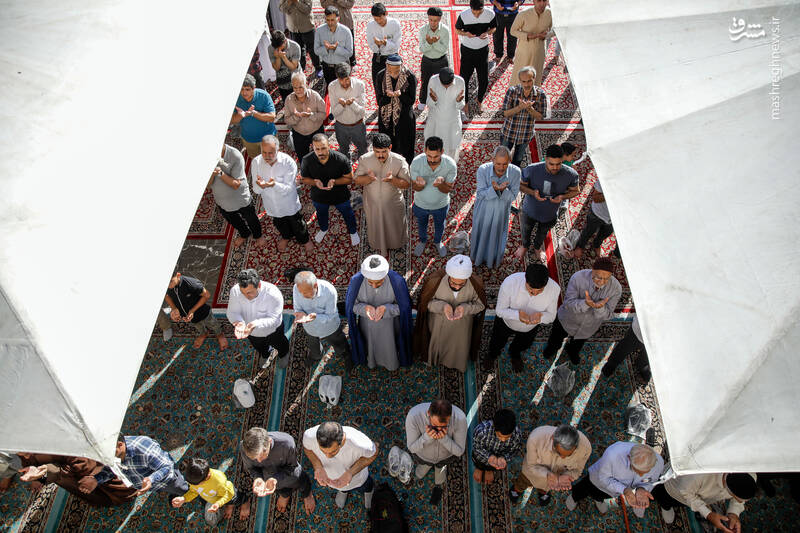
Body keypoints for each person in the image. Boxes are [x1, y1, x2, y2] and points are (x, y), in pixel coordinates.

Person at [414, 255, 487, 372]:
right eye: (453, 283)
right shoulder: (435, 281)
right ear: (448, 276)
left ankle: (456, 363)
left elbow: (480, 305)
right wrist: (443, 307)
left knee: (458, 348)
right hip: (438, 324)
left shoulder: (475, 284)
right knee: (438, 344)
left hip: (462, 326)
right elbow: (425, 303)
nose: (457, 287)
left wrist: (465, 309)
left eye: (461, 284)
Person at [542, 258, 622, 364]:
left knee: (577, 346)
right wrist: (585, 303)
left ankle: (572, 352)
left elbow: (609, 315)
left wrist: (600, 308)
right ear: (592, 270)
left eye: (606, 279)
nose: (602, 282)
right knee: (555, 340)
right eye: (598, 277)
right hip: (567, 320)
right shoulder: (578, 278)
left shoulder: (616, 288)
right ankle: (552, 348)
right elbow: (568, 304)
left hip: (588, 327)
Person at [484, 263, 559, 372]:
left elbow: (551, 316)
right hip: (506, 322)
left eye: (540, 291)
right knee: (497, 341)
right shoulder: (510, 283)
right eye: (531, 289)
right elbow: (500, 311)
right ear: (525, 280)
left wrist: (541, 317)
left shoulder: (554, 289)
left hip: (530, 328)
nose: (534, 294)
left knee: (523, 344)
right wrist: (517, 315)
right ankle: (492, 354)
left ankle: (515, 353)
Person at [345, 254, 413, 371]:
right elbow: (351, 306)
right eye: (370, 282)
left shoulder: (396, 281)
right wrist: (365, 308)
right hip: (367, 324)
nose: (374, 286)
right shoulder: (356, 281)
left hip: (390, 325)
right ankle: (371, 361)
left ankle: (391, 363)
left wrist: (386, 309)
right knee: (370, 344)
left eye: (379, 283)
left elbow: (404, 308)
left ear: (385, 276)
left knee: (389, 345)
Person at [516, 144, 579, 263]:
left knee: (542, 233)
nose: (555, 168)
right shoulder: (531, 169)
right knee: (526, 230)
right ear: (545, 159)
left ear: (562, 160)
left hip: (550, 213)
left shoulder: (571, 174)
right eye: (551, 164)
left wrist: (562, 197)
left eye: (558, 164)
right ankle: (524, 246)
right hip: (530, 210)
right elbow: (520, 185)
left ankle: (537, 248)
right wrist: (532, 192)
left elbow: (576, 191)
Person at [566, 442, 664, 518]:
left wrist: (642, 489)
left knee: (602, 496)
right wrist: (624, 490)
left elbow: (650, 481)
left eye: (645, 471)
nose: (641, 475)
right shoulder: (612, 454)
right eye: (637, 470)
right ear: (629, 458)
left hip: (614, 491)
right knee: (585, 488)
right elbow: (604, 478)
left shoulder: (659, 463)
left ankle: (598, 500)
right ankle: (574, 496)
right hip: (597, 481)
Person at [251, 135, 312, 254]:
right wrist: (261, 186)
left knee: (298, 224)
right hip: (272, 206)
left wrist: (273, 184)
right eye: (264, 152)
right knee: (280, 224)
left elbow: (288, 189)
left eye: (271, 153)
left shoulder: (288, 162)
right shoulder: (256, 162)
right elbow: (256, 190)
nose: (267, 156)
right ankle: (286, 237)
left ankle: (305, 240)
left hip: (289, 204)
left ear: (277, 150)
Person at [353, 133, 411, 257]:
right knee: (376, 228)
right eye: (377, 152)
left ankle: (396, 244)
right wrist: (369, 178)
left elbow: (406, 184)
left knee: (395, 228)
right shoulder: (365, 159)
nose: (380, 155)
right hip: (373, 204)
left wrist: (393, 180)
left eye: (384, 151)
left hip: (393, 204)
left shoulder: (399, 161)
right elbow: (357, 180)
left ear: (390, 147)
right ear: (372, 149)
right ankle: (378, 245)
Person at [239, 427, 315, 518]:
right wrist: (258, 478)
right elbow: (251, 468)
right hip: (269, 477)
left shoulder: (286, 443)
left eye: (262, 455)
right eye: (255, 458)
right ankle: (285, 495)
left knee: (299, 478)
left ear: (269, 441)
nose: (259, 461)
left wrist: (275, 478)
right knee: (276, 488)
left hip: (290, 474)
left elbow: (292, 467)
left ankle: (307, 494)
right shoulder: (244, 448)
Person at [298, 133, 359, 246]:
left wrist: (335, 182)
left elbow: (349, 179)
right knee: (321, 213)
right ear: (312, 147)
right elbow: (304, 179)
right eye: (317, 149)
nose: (320, 152)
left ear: (329, 146)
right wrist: (315, 182)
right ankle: (324, 229)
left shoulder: (341, 159)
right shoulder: (306, 160)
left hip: (340, 194)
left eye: (323, 148)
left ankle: (353, 231)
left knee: (347, 213)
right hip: (319, 195)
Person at [509, 424, 591, 507]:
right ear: (553, 438)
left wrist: (567, 475)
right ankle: (517, 489)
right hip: (531, 474)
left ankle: (543, 492)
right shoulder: (535, 438)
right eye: (559, 453)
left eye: (569, 455)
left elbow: (577, 471)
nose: (563, 458)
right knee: (523, 481)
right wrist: (547, 474)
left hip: (551, 483)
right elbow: (531, 466)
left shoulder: (586, 449)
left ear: (575, 447)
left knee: (545, 488)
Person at [302, 421, 378, 509]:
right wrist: (318, 466)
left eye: (333, 451)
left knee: (366, 486)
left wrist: (350, 473)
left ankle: (369, 491)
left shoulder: (360, 444)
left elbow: (374, 453)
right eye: (323, 451)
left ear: (342, 441)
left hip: (357, 479)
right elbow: (307, 449)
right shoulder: (309, 436)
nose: (328, 456)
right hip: (333, 481)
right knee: (342, 488)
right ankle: (343, 491)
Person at [15, 453, 136, 506]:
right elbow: (28, 461)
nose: (26, 456)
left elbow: (84, 465)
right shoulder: (25, 448)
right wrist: (37, 477)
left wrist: (48, 470)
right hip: (70, 475)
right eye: (21, 454)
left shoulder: (59, 438)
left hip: (95, 473)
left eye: (27, 452)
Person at [226, 268, 290, 368]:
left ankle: (283, 354)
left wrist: (255, 324)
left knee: (280, 343)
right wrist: (238, 323)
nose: (246, 296)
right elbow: (232, 312)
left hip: (273, 330)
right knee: (259, 346)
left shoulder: (273, 293)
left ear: (259, 285)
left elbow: (274, 319)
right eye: (243, 293)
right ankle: (265, 354)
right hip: (251, 332)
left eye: (249, 292)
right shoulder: (235, 291)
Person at [471, 146, 521, 268]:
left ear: (510, 161)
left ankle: (492, 259)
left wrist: (503, 191)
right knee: (481, 233)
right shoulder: (483, 170)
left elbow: (513, 197)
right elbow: (480, 194)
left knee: (496, 235)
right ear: (492, 159)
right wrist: (494, 189)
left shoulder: (516, 172)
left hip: (501, 212)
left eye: (505, 164)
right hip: (483, 210)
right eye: (498, 163)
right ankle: (477, 257)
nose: (501, 168)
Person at [653, 472, 757, 530]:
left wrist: (734, 513)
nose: (740, 502)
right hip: (675, 489)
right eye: (734, 496)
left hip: (700, 494)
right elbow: (685, 493)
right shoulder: (697, 476)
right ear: (728, 489)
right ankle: (665, 507)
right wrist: (708, 514)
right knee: (664, 498)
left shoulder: (751, 475)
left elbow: (739, 500)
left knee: (692, 503)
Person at [94, 434, 190, 496]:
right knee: (162, 489)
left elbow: (166, 467)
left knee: (182, 489)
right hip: (152, 484)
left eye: (109, 451)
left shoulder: (144, 450)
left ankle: (188, 493)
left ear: (120, 444)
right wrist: (96, 480)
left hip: (167, 480)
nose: (107, 455)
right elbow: (111, 470)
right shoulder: (112, 454)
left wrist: (151, 479)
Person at [293, 271, 352, 370]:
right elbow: (297, 307)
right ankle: (316, 355)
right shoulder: (297, 288)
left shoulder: (329, 291)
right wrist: (300, 314)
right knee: (313, 345)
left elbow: (330, 316)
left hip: (329, 327)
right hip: (310, 327)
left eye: (306, 293)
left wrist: (315, 317)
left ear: (315, 286)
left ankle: (345, 354)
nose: (302, 295)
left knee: (339, 343)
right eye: (301, 292)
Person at [410, 136, 457, 258]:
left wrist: (441, 184)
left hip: (441, 205)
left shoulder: (451, 165)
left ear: (442, 152)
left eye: (436, 156)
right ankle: (422, 241)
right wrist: (419, 185)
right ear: (425, 150)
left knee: (440, 225)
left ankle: (437, 241)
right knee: (421, 225)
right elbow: (415, 188)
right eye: (429, 156)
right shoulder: (416, 162)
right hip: (420, 204)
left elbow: (448, 189)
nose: (432, 160)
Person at [209, 144, 264, 249]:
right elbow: (208, 185)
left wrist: (220, 173)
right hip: (222, 202)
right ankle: (244, 234)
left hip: (240, 199)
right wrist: (212, 174)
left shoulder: (234, 155)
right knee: (234, 221)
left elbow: (236, 184)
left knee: (251, 219)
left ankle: (258, 235)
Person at [157, 272, 227, 350]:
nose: (168, 285)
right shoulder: (167, 285)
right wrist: (174, 309)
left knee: (213, 323)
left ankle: (219, 334)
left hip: (203, 312)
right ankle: (203, 334)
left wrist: (192, 310)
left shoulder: (191, 283)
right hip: (187, 316)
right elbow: (166, 296)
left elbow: (207, 295)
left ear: (178, 275)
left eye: (170, 281)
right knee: (197, 325)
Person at [405, 400, 467, 488]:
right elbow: (412, 448)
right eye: (434, 425)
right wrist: (427, 437)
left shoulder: (460, 419)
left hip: (446, 456)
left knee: (442, 464)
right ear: (428, 413)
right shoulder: (413, 416)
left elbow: (459, 451)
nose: (438, 430)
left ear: (450, 417)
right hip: (423, 455)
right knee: (425, 463)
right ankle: (426, 465)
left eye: (443, 426)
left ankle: (440, 468)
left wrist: (444, 439)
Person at [500, 65, 549, 168]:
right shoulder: (512, 91)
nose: (526, 84)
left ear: (534, 78)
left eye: (529, 81)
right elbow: (505, 113)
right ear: (520, 80)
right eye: (524, 81)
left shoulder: (541, 95)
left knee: (517, 160)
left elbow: (540, 117)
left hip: (525, 135)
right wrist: (519, 107)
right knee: (503, 158)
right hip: (509, 132)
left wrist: (530, 109)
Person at [455, 0, 497, 115]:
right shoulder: (463, 15)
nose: (477, 15)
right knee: (464, 78)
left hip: (482, 50)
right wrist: (466, 34)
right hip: (467, 50)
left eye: (480, 12)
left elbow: (494, 28)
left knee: (484, 79)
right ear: (470, 8)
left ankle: (479, 101)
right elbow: (457, 30)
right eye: (474, 12)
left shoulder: (490, 14)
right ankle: (465, 102)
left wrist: (487, 33)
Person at [376, 54, 417, 165]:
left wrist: (400, 95)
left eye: (396, 71)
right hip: (386, 118)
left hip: (404, 116)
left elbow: (411, 101)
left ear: (401, 67)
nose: (393, 74)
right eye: (391, 71)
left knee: (406, 145)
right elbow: (379, 102)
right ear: (386, 66)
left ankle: (407, 166)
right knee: (388, 145)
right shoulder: (381, 76)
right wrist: (388, 96)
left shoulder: (409, 77)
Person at [171, 457, 236, 526]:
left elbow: (228, 494)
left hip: (226, 496)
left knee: (212, 521)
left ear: (207, 476)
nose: (193, 486)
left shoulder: (219, 481)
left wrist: (219, 504)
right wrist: (184, 498)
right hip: (210, 496)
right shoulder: (195, 479)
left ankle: (234, 504)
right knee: (209, 518)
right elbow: (194, 491)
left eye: (196, 484)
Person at [472, 408, 523, 484]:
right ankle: (479, 468)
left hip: (499, 458)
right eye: (499, 436)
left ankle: (489, 470)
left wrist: (504, 458)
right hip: (481, 456)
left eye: (507, 437)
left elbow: (514, 451)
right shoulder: (481, 431)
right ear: (494, 427)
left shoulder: (517, 435)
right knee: (478, 460)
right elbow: (477, 448)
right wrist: (489, 457)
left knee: (493, 465)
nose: (503, 440)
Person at [424, 68, 465, 161]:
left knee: (452, 147)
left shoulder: (460, 81)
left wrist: (458, 101)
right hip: (435, 121)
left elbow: (460, 106)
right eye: (444, 84)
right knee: (433, 148)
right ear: (439, 78)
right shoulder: (433, 80)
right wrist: (434, 100)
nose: (446, 86)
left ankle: (450, 167)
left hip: (452, 121)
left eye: (448, 84)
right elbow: (429, 103)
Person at [232, 74, 277, 160]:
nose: (244, 93)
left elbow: (272, 118)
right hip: (249, 139)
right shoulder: (236, 98)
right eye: (241, 89)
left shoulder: (264, 96)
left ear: (254, 88)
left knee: (272, 159)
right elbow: (232, 121)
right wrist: (240, 116)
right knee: (256, 160)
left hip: (268, 137)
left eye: (247, 89)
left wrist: (253, 113)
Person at [329, 62, 368, 160]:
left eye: (347, 79)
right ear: (337, 77)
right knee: (343, 150)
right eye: (341, 80)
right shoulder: (332, 86)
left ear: (350, 75)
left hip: (358, 125)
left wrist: (352, 104)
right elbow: (334, 113)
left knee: (363, 149)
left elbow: (362, 112)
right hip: (340, 126)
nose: (344, 83)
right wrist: (341, 105)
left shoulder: (359, 85)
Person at [283, 73, 326, 160]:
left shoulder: (315, 96)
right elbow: (287, 120)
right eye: (295, 88)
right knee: (303, 159)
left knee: (322, 156)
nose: (298, 91)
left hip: (316, 131)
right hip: (299, 134)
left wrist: (311, 115)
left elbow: (323, 115)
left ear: (306, 84)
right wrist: (296, 116)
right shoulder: (289, 100)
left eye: (301, 87)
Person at [572, 177, 618, 258]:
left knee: (604, 235)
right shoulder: (607, 177)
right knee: (588, 231)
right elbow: (596, 198)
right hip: (597, 214)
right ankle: (580, 246)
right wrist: (614, 194)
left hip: (614, 219)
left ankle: (596, 245)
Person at [510, 0, 551, 85]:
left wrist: (547, 35)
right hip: (524, 51)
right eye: (539, 1)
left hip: (539, 51)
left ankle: (534, 93)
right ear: (533, 1)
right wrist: (527, 36)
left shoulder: (550, 14)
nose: (542, 4)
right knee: (520, 75)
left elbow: (555, 30)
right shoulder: (524, 13)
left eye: (544, 0)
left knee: (536, 75)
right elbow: (513, 31)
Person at [418, 7, 450, 112]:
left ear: (440, 19)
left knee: (442, 82)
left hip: (441, 60)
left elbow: (444, 49)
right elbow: (422, 49)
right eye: (430, 20)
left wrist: (432, 43)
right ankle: (423, 101)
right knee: (425, 81)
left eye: (435, 20)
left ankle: (441, 101)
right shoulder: (423, 30)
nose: (433, 23)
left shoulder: (445, 30)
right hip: (427, 60)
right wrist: (430, 43)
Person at [314, 6, 353, 91]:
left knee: (344, 90)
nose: (330, 23)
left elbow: (350, 52)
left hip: (342, 67)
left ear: (338, 18)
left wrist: (336, 49)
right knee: (330, 90)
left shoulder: (346, 31)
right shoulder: (319, 30)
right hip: (327, 67)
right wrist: (326, 49)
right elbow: (316, 50)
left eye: (332, 20)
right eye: (328, 20)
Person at [602, 314, 651, 380]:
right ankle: (611, 364)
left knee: (648, 354)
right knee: (623, 349)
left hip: (656, 339)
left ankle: (642, 365)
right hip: (639, 330)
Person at [279, 0, 321, 76]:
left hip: (307, 27)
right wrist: (288, 2)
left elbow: (307, 9)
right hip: (293, 28)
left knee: (312, 49)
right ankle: (301, 69)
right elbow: (281, 9)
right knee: (298, 50)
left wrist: (296, 2)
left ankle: (318, 67)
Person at [366, 3, 402, 89]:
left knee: (395, 86)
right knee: (378, 85)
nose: (379, 22)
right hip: (378, 58)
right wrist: (378, 45)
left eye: (380, 18)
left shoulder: (395, 24)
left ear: (386, 13)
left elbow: (396, 46)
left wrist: (385, 43)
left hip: (393, 58)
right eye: (376, 19)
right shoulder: (370, 26)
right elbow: (371, 45)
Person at [268, 30, 302, 104]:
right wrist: (277, 58)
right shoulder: (271, 48)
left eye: (280, 47)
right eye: (276, 47)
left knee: (300, 100)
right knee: (287, 102)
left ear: (285, 41)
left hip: (295, 77)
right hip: (282, 80)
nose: (278, 49)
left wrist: (283, 58)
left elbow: (293, 67)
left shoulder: (295, 46)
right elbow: (276, 68)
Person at [320, 0, 356, 66]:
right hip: (331, 23)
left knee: (349, 42)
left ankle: (352, 61)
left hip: (346, 20)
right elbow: (323, 4)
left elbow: (350, 4)